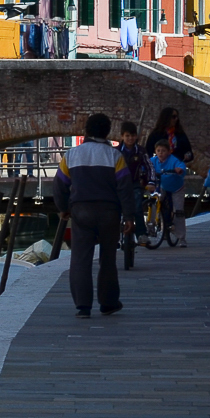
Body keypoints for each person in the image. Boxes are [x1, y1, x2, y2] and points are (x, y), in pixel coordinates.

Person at [52, 113, 133, 318]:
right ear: (107, 132)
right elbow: (125, 188)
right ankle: (108, 303)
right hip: (109, 212)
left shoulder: (71, 155)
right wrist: (129, 216)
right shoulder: (114, 156)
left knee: (80, 258)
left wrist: (63, 208)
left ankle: (83, 306)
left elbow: (59, 185)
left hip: (81, 211)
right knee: (108, 259)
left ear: (86, 130)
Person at [116, 121, 149, 267]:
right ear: (122, 136)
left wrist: (151, 182)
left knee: (136, 205)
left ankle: (141, 233)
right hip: (118, 184)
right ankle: (114, 236)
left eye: (132, 136)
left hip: (135, 183)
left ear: (137, 136)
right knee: (115, 208)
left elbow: (150, 167)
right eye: (127, 136)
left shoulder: (141, 151)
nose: (130, 139)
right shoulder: (116, 152)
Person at [149, 140, 189, 247]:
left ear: (168, 152)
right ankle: (151, 225)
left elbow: (181, 165)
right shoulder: (153, 160)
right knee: (154, 201)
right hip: (162, 186)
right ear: (155, 152)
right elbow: (146, 165)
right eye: (158, 151)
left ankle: (181, 238)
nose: (161, 153)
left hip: (176, 188)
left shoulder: (173, 160)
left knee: (179, 211)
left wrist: (179, 169)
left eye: (163, 151)